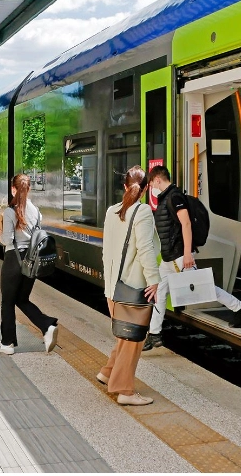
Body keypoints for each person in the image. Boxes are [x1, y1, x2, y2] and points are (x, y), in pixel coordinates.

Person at [144, 165, 241, 351]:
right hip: (169, 258)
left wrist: (189, 252)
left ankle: (238, 308)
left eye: (151, 182)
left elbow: (187, 224)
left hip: (180, 256)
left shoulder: (174, 197)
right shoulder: (166, 197)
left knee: (204, 288)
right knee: (159, 294)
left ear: (157, 179)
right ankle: (155, 334)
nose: (151, 186)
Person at [98, 166, 159, 405]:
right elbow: (146, 249)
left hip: (113, 288)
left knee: (125, 337)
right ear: (144, 189)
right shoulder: (142, 211)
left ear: (124, 186)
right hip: (133, 289)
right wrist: (154, 280)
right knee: (134, 341)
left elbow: (106, 250)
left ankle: (107, 372)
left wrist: (108, 284)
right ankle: (125, 391)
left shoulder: (112, 211)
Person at [0, 174, 59, 355]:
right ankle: (46, 325)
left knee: (7, 301)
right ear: (28, 189)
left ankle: (7, 343)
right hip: (30, 261)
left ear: (13, 189)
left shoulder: (10, 211)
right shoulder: (36, 211)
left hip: (14, 260)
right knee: (21, 299)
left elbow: (7, 240)